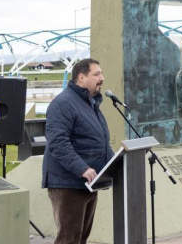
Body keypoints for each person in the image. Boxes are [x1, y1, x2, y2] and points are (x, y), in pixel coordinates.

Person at [42, 58, 114, 244]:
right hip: (69, 183)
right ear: (81, 77)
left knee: (81, 238)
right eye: (96, 74)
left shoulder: (90, 103)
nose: (102, 78)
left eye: (101, 73)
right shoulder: (63, 103)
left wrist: (115, 163)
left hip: (89, 182)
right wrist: (82, 169)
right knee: (69, 238)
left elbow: (97, 142)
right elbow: (58, 142)